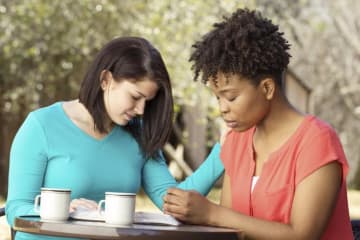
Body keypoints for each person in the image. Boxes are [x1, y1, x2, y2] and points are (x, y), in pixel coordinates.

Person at [6, 36, 224, 240]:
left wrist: (224, 150)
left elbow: (176, 204)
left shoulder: (139, 134)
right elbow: (16, 208)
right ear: (106, 80)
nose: (140, 110)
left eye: (147, 101)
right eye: (135, 97)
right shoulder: (42, 126)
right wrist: (66, 209)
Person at [163, 8, 353, 240]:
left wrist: (211, 213)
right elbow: (230, 230)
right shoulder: (237, 140)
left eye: (231, 97)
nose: (222, 108)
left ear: (267, 88)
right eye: (217, 98)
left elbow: (302, 235)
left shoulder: (316, 141)